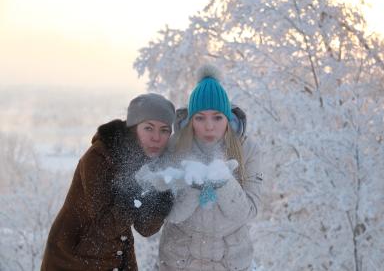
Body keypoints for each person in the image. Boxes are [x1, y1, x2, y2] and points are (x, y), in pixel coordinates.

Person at [41, 93, 176, 271]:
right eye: (148, 128)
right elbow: (104, 227)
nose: (156, 137)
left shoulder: (149, 162)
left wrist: (161, 197)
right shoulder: (99, 157)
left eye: (164, 130)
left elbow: (145, 229)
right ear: (134, 127)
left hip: (116, 258)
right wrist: (133, 194)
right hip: (73, 258)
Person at [158, 65, 264, 271]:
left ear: (228, 118)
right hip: (179, 262)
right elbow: (168, 214)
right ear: (190, 120)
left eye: (217, 117)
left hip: (230, 263)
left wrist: (224, 183)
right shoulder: (173, 147)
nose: (209, 126)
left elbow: (250, 212)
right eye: (200, 117)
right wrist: (192, 186)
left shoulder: (247, 150)